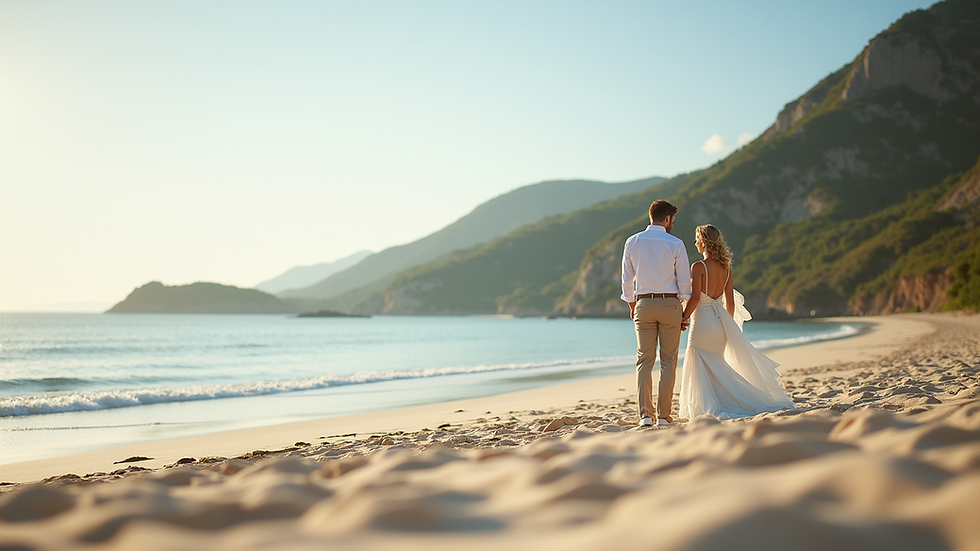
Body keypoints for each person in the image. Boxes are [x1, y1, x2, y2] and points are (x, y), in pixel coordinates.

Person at [678, 224, 795, 419]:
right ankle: (722, 400)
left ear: (704, 242)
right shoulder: (726, 268)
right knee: (716, 363)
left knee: (697, 358)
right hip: (720, 322)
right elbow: (729, 302)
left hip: (703, 322)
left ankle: (705, 405)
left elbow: (696, 297)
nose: (695, 243)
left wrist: (684, 317)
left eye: (697, 238)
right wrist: (727, 325)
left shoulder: (698, 267)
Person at [621, 199, 692, 427]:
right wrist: (682, 310)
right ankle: (663, 416)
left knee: (644, 360)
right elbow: (684, 283)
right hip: (670, 304)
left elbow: (626, 279)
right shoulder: (676, 243)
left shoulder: (632, 241)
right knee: (668, 361)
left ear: (651, 215)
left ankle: (644, 416)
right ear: (668, 218)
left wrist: (632, 304)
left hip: (643, 304)